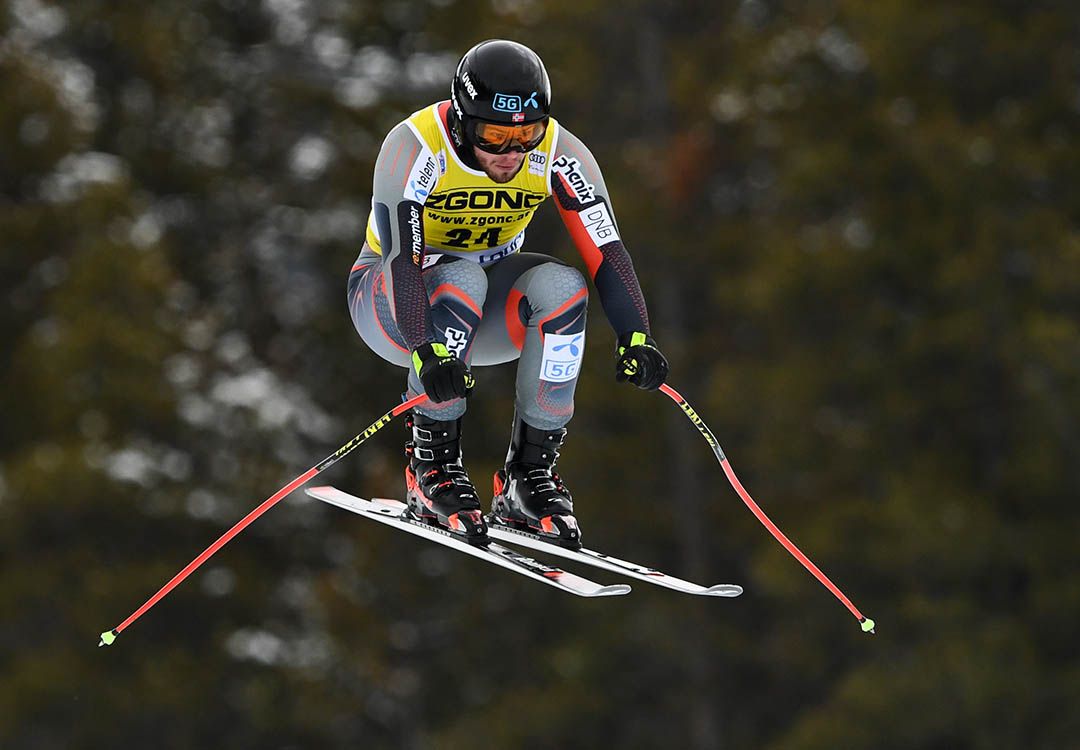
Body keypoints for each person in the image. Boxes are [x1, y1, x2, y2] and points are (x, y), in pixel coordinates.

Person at [347, 39, 668, 550]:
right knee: (462, 278)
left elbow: (607, 251)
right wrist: (426, 346)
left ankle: (528, 477)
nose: (512, 153)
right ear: (461, 120)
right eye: (494, 135)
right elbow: (401, 262)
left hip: (480, 317)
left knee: (563, 289)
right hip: (392, 304)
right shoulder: (416, 147)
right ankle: (432, 468)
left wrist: (636, 338)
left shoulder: (560, 154)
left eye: (526, 135)